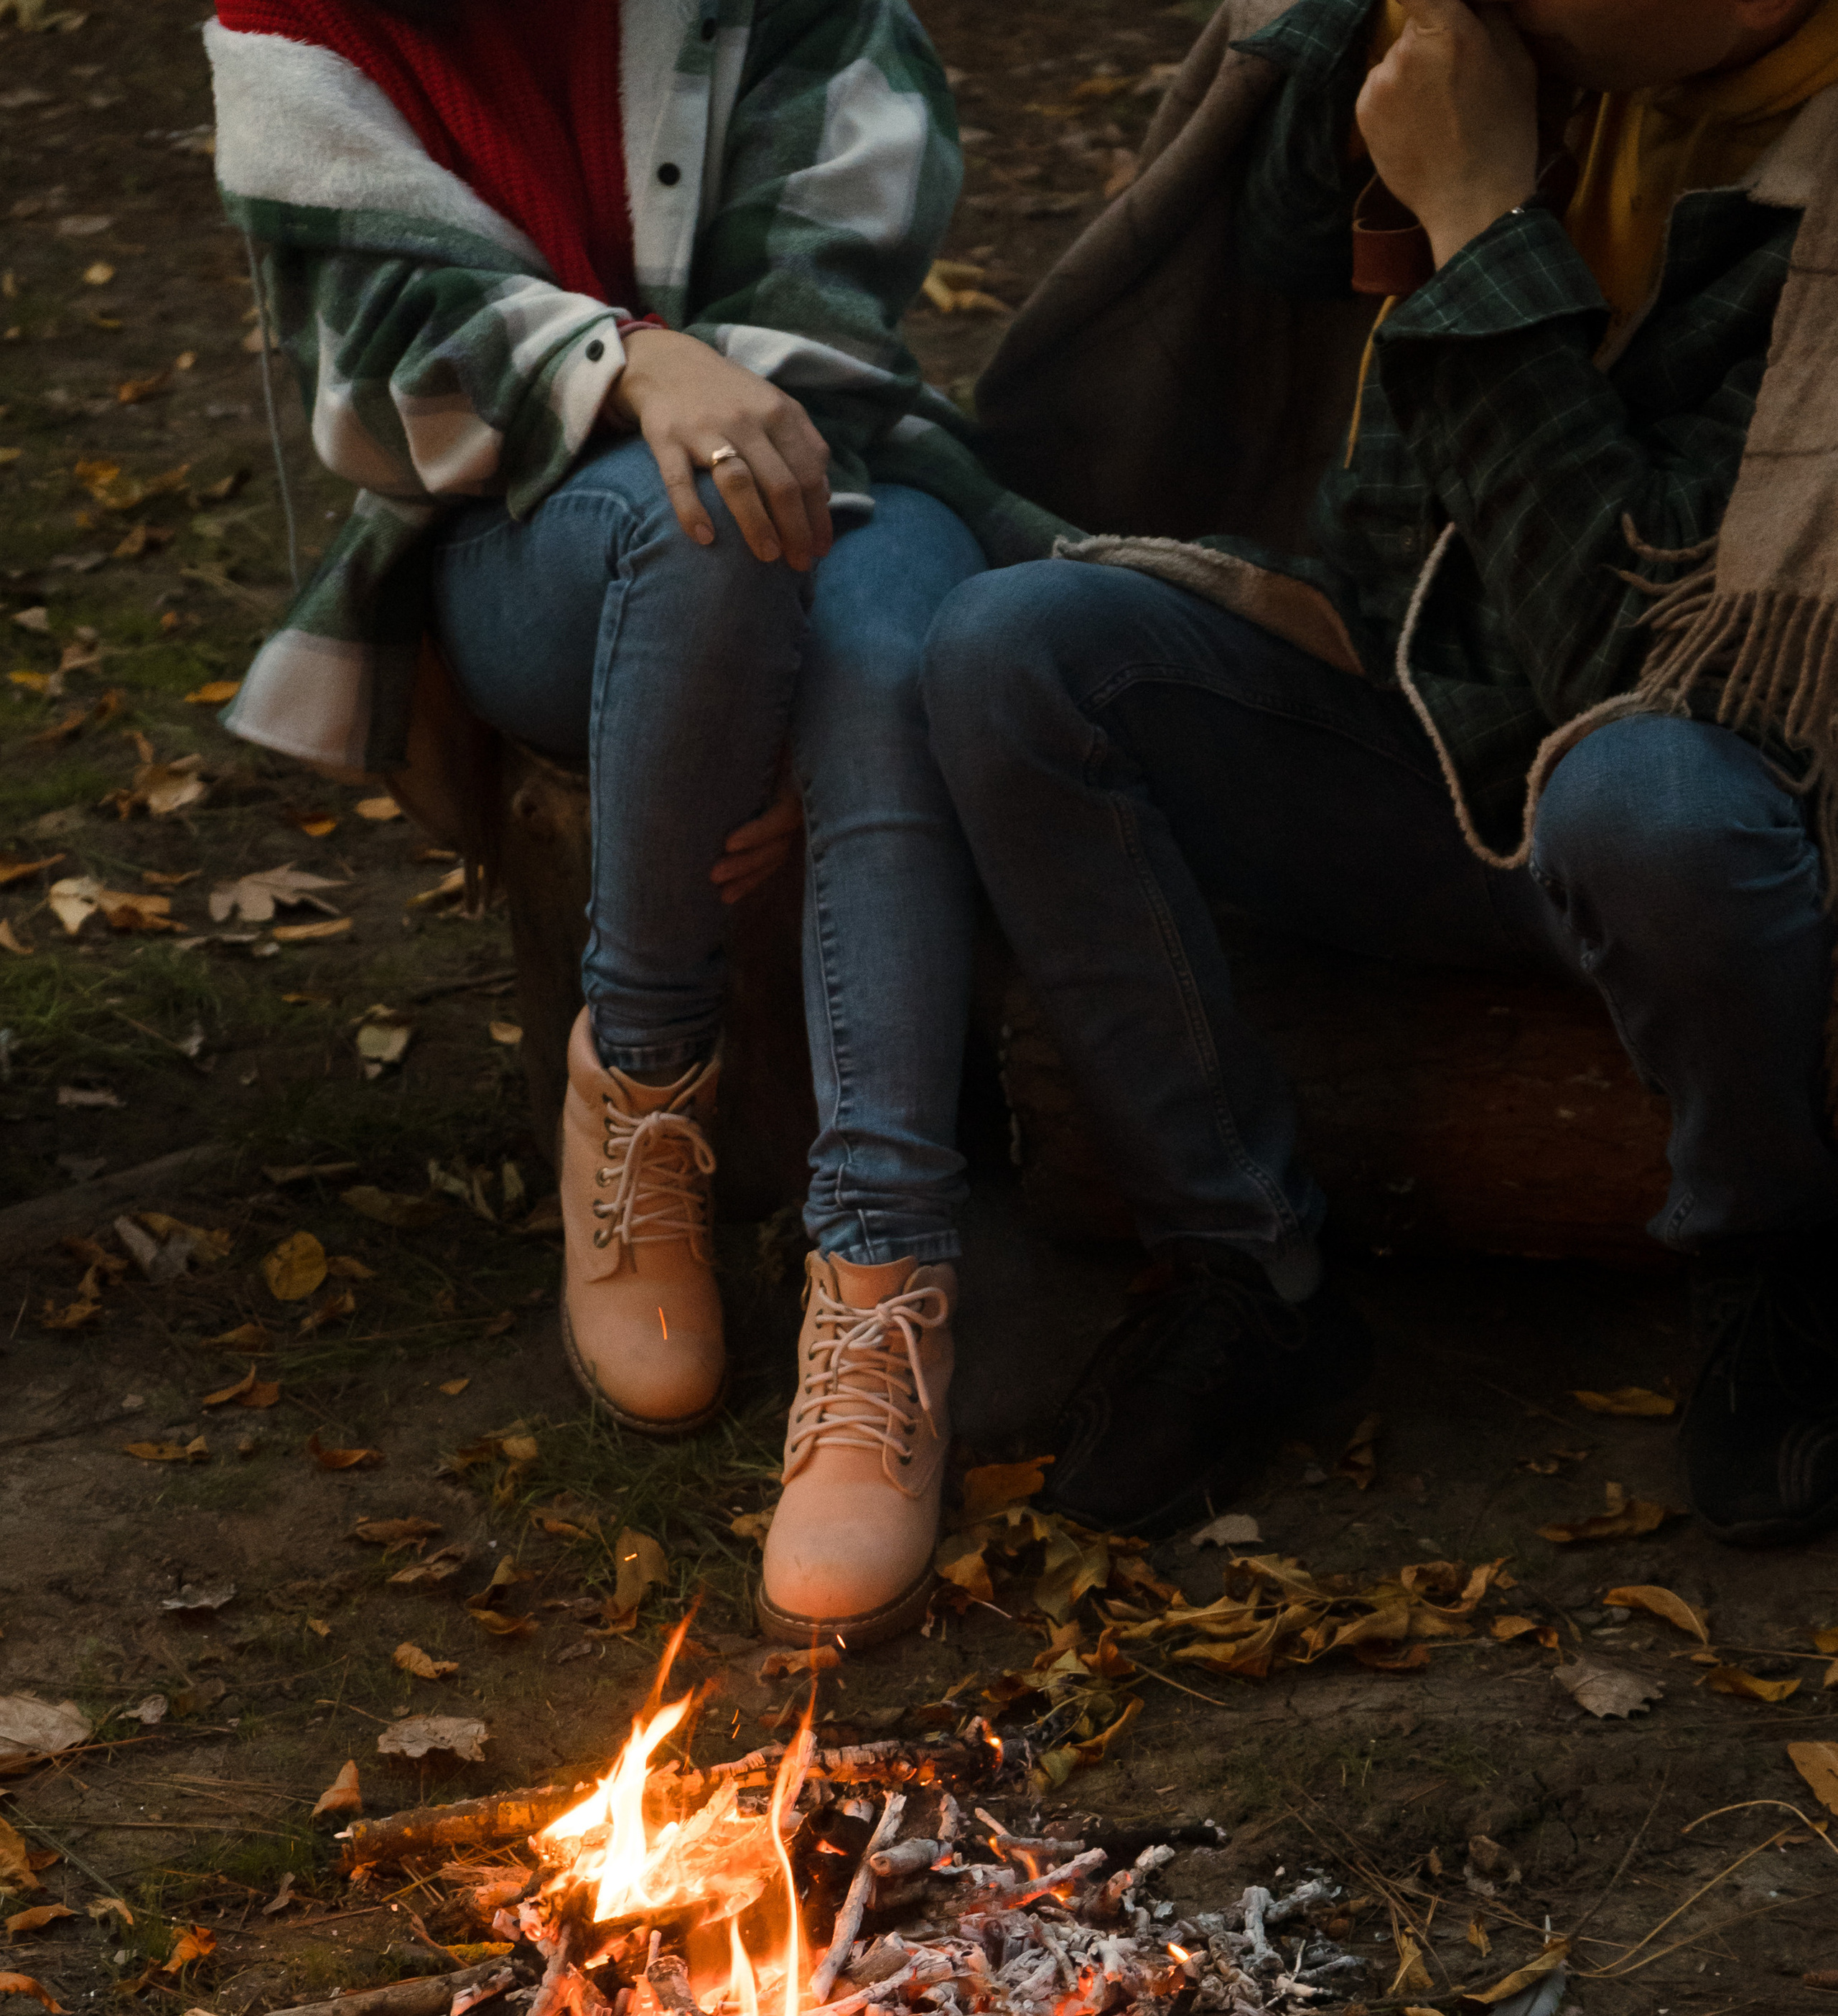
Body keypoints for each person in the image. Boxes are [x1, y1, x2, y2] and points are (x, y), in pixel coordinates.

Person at [925, 0, 1838, 1548]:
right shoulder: (1527, 51)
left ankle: (1778, 1270)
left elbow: (1621, 659)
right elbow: (1274, 221)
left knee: (1645, 804)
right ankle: (1241, 1268)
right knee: (1016, 650)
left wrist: (1479, 217)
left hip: (1720, 812)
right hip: (1406, 724)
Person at [205, 0, 1063, 1643]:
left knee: (882, 656)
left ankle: (881, 1289)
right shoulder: (290, 22)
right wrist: (625, 356)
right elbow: (383, 344)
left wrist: (795, 681)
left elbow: (830, 288)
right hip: (531, 532)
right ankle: (645, 1088)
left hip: (837, 468)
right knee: (702, 527)